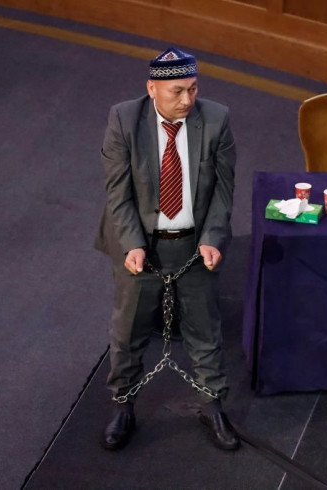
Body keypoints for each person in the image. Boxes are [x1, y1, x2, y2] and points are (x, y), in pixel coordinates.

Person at [94, 48, 238, 451]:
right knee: (128, 331)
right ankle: (123, 406)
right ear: (151, 88)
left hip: (193, 244)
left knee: (205, 331)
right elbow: (117, 194)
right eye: (177, 92)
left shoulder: (216, 118)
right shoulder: (123, 119)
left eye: (193, 89)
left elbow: (224, 192)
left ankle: (213, 406)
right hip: (139, 247)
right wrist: (132, 244)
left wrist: (212, 237)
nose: (187, 101)